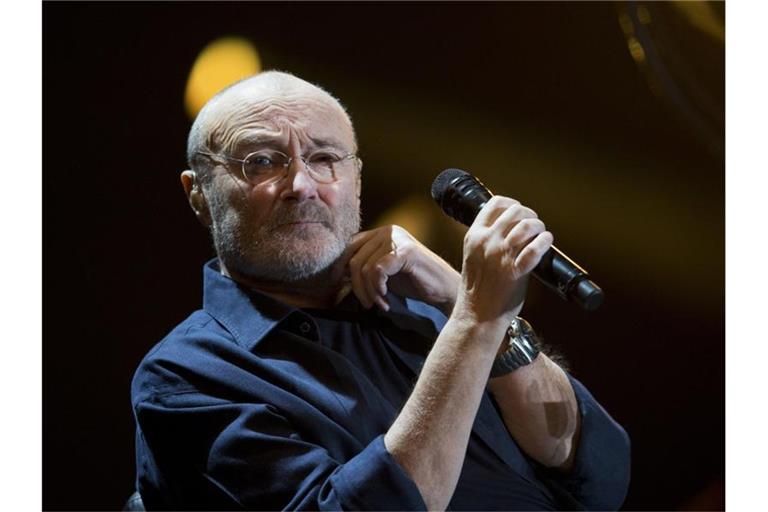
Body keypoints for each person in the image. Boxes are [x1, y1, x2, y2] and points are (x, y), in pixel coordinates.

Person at [131, 71, 630, 511]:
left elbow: (599, 476)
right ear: (198, 194)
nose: (301, 184)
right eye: (261, 161)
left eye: (325, 157)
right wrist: (475, 319)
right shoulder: (186, 375)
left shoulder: (425, 312)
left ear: (357, 181)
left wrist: (459, 298)